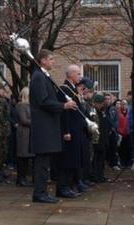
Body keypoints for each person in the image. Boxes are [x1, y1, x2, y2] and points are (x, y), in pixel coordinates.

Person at [30, 49, 77, 203]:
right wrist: (64, 106)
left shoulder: (44, 76)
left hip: (48, 126)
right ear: (43, 60)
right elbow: (43, 101)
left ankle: (42, 192)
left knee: (45, 162)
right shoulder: (38, 77)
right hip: (43, 127)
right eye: (51, 59)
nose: (53, 62)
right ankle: (39, 193)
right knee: (42, 162)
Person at [56, 64, 84, 199]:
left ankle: (69, 185)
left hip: (76, 128)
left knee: (73, 160)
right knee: (66, 160)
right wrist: (66, 130)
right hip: (69, 130)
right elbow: (64, 113)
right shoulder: (64, 89)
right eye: (78, 73)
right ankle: (62, 187)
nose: (80, 76)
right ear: (71, 74)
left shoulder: (73, 89)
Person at [15, 87, 34, 186]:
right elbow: (24, 120)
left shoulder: (29, 105)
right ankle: (20, 178)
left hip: (29, 133)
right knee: (22, 156)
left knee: (27, 156)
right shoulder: (21, 106)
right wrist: (36, 122)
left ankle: (24, 177)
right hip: (23, 133)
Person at [118, 99, 132, 168]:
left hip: (128, 133)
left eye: (125, 104)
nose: (124, 105)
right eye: (122, 104)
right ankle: (122, 163)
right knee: (122, 149)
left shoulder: (129, 112)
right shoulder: (118, 112)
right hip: (121, 133)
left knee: (128, 148)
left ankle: (128, 163)